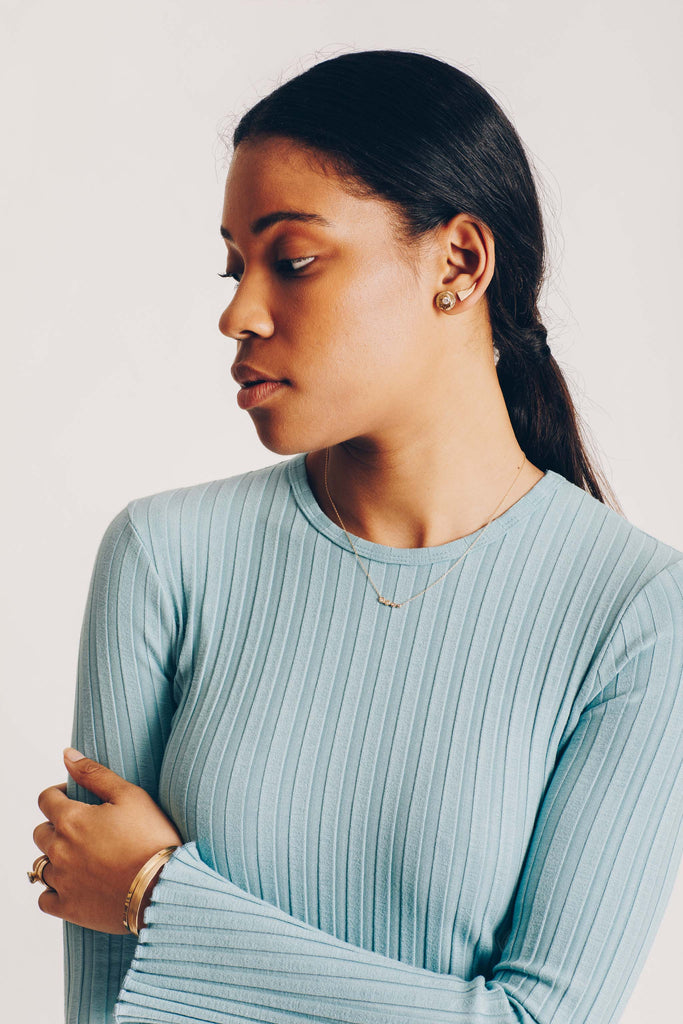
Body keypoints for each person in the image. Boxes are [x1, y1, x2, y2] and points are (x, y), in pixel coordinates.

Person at [30, 49, 683, 1024]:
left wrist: (160, 898)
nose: (238, 311)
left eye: (290, 261)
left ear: (458, 263)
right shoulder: (164, 559)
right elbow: (103, 1010)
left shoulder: (632, 613)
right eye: (234, 265)